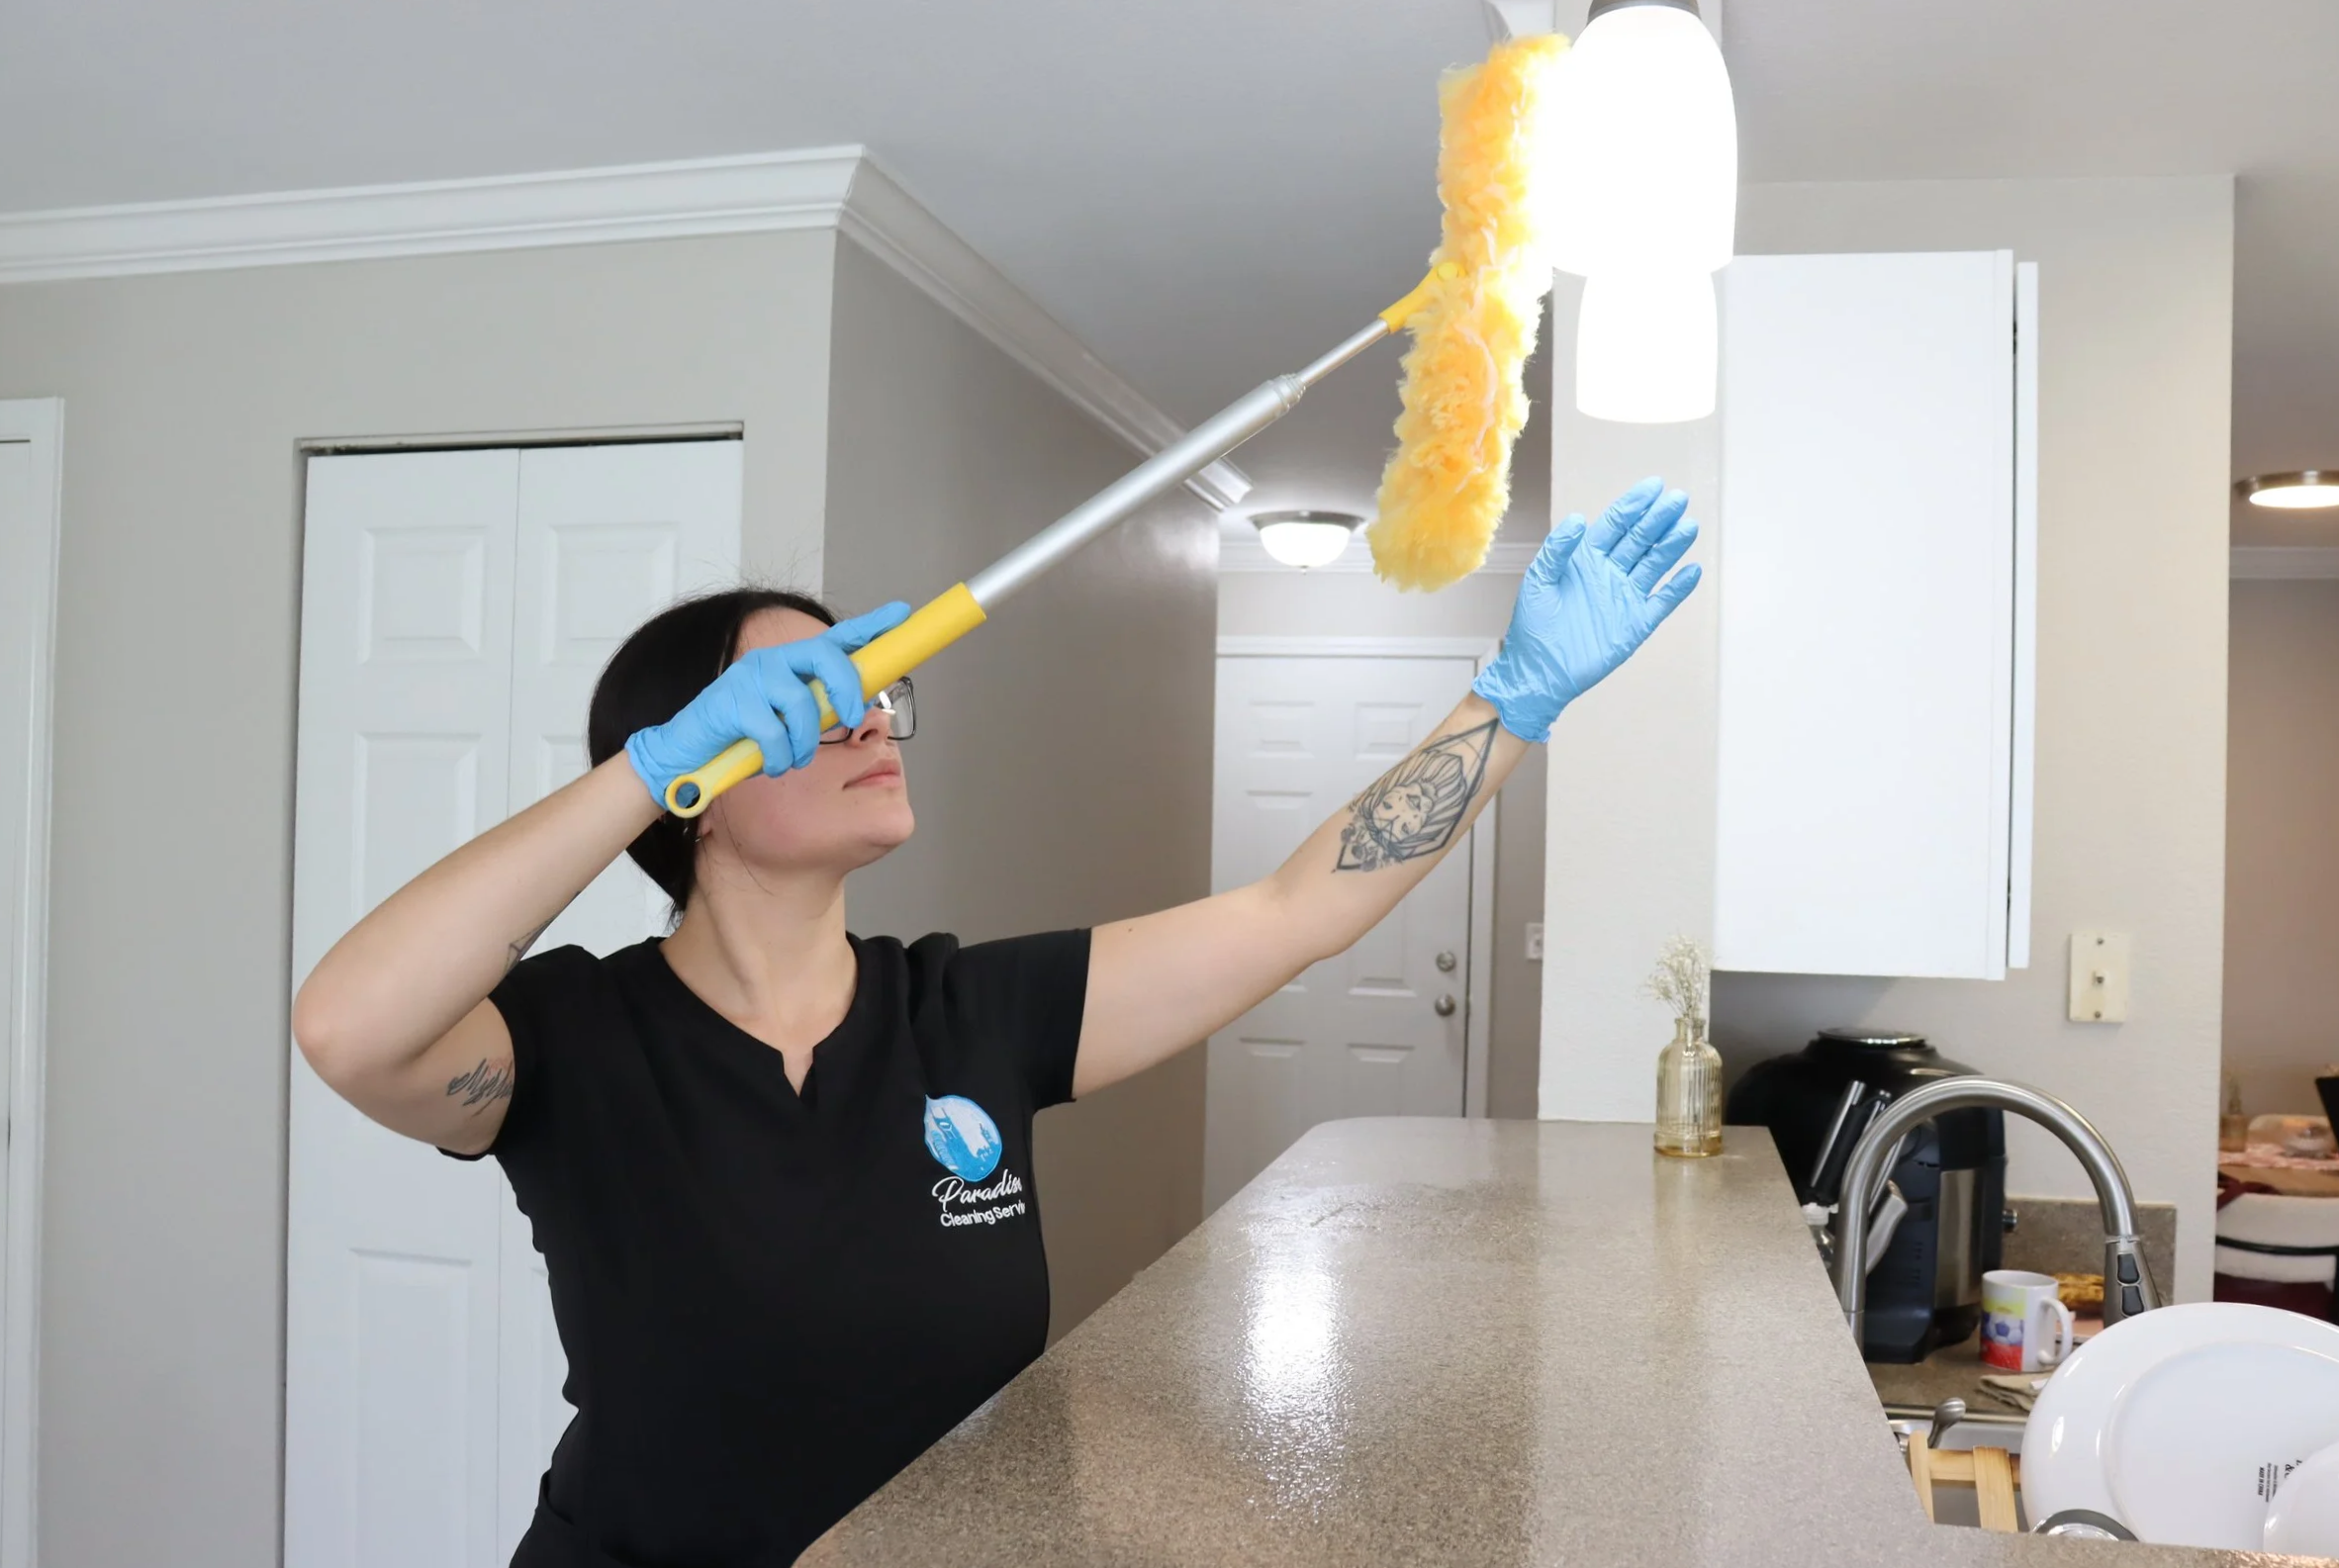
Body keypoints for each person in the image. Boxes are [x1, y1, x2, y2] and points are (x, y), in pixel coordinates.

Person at [294, 478, 1701, 1565]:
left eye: (877, 689)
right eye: (807, 705)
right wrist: (637, 774)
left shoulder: (974, 1012)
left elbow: (1294, 911)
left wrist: (1507, 706)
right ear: (697, 772)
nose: (872, 722)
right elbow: (350, 1027)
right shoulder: (569, 1040)